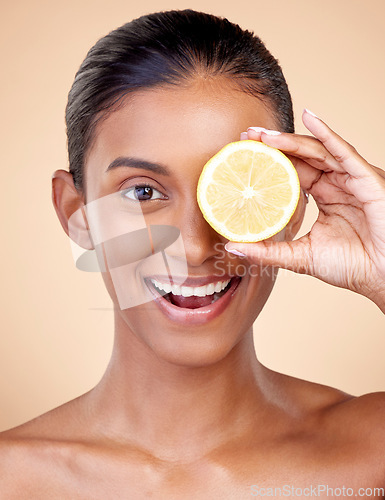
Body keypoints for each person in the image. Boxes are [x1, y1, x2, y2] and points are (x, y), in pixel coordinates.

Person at [1, 8, 384, 498]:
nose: (195, 246)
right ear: (77, 212)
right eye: (143, 193)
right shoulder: (10, 479)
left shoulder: (373, 454)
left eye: (230, 190)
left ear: (289, 208)